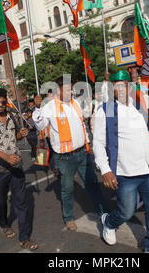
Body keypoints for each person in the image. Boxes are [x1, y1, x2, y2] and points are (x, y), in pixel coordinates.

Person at [93, 70, 149, 253]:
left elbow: (146, 134)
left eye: (125, 85)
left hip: (148, 170)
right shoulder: (105, 110)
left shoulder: (138, 106)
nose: (122, 89)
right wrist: (106, 170)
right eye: (117, 86)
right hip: (125, 172)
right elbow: (98, 143)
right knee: (126, 212)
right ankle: (109, 222)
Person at [33, 77, 109, 232]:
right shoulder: (50, 107)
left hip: (82, 153)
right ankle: (69, 218)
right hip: (64, 158)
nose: (71, 92)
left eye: (71, 89)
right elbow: (40, 125)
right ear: (58, 91)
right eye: (68, 89)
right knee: (67, 189)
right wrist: (38, 108)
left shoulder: (75, 103)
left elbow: (84, 121)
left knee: (92, 184)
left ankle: (104, 213)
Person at [0, 88, 38, 251]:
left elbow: (17, 137)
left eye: (3, 102)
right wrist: (6, 158)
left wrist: (22, 133)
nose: (0, 105)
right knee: (0, 201)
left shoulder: (13, 116)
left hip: (16, 165)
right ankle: (3, 223)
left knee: (21, 202)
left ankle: (24, 237)